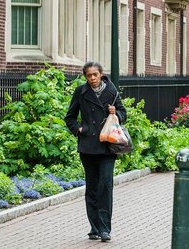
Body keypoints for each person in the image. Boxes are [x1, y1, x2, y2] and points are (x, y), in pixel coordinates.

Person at [65, 61, 127, 242]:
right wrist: (79, 129)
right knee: (92, 188)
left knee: (105, 186)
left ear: (101, 74)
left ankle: (105, 229)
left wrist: (116, 113)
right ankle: (94, 228)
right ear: (85, 77)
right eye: (89, 76)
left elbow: (124, 113)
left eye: (95, 75)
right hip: (88, 146)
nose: (92, 78)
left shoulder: (112, 91)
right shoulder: (81, 92)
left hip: (107, 146)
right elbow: (69, 117)